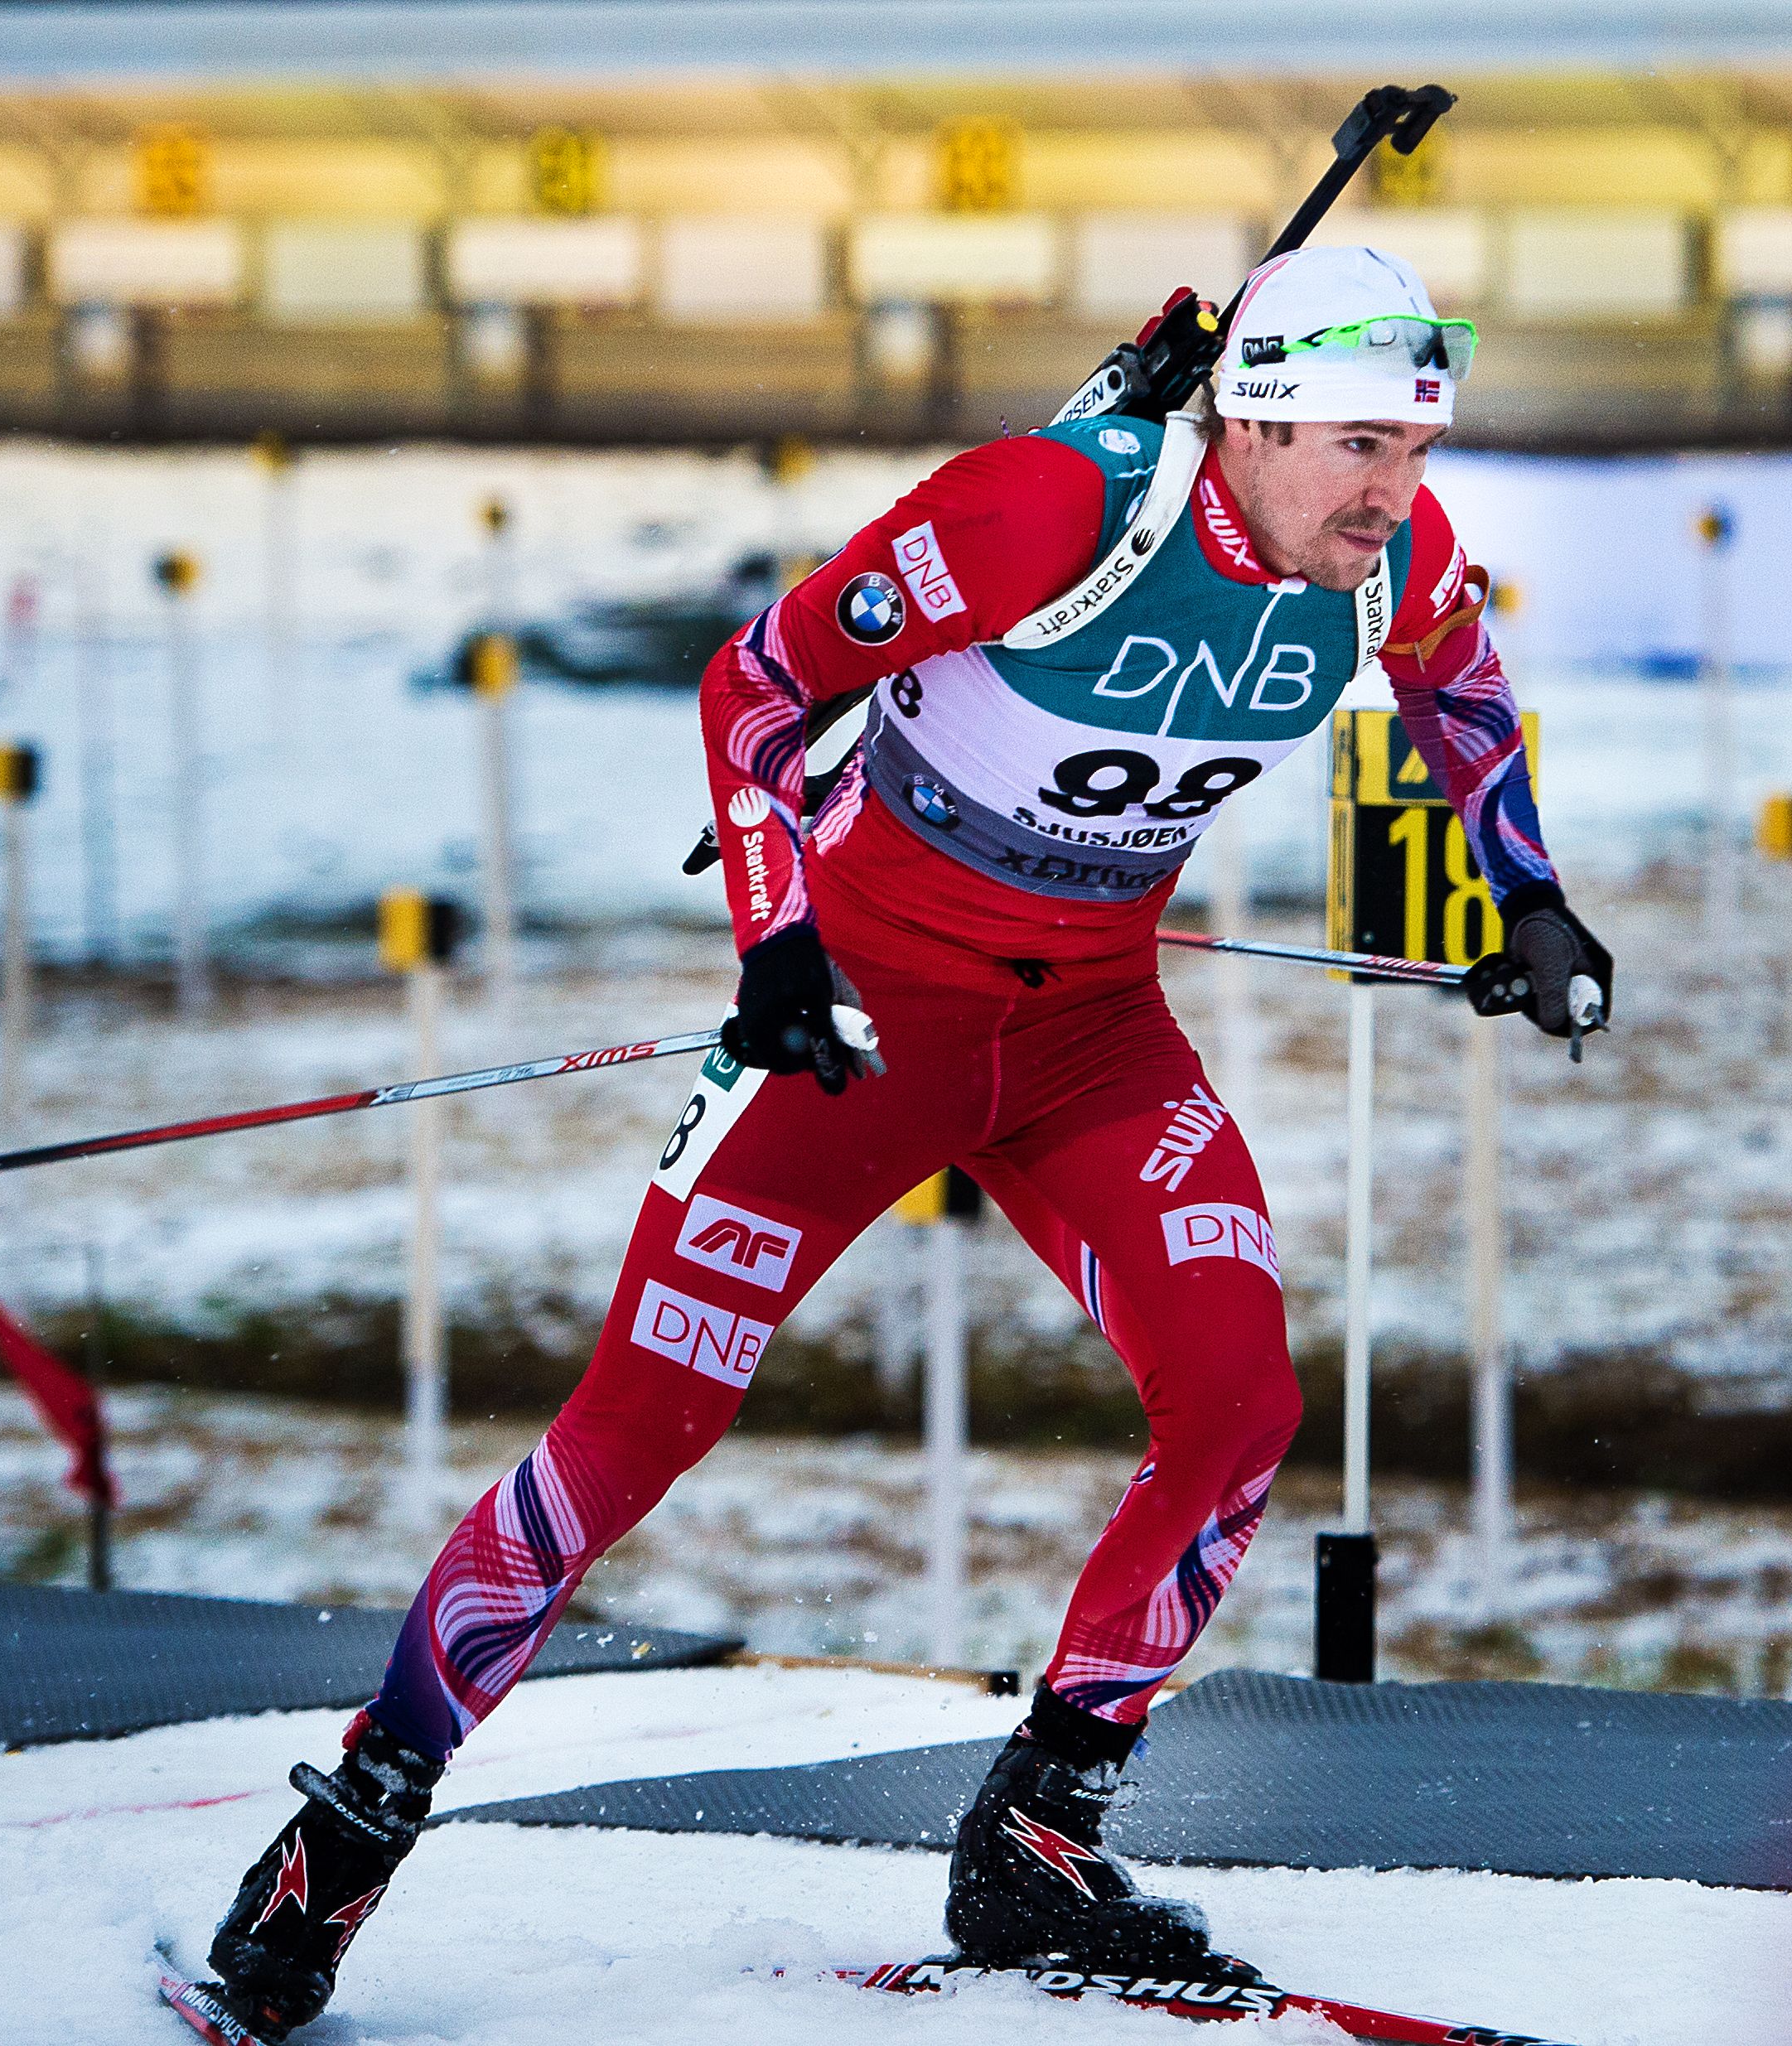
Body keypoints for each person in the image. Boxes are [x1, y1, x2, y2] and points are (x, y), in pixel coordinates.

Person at [166, 245, 1616, 2044]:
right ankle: (338, 1846)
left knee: (1241, 1403)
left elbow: (1462, 694)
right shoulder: (1049, 510)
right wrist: (775, 946)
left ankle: (1036, 1841)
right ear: (1247, 420)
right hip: (858, 1025)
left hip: (1091, 1039)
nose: (1394, 491)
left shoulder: (1391, 552)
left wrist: (1530, 894)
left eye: (1418, 447)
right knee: (634, 1431)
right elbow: (756, 688)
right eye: (1357, 447)